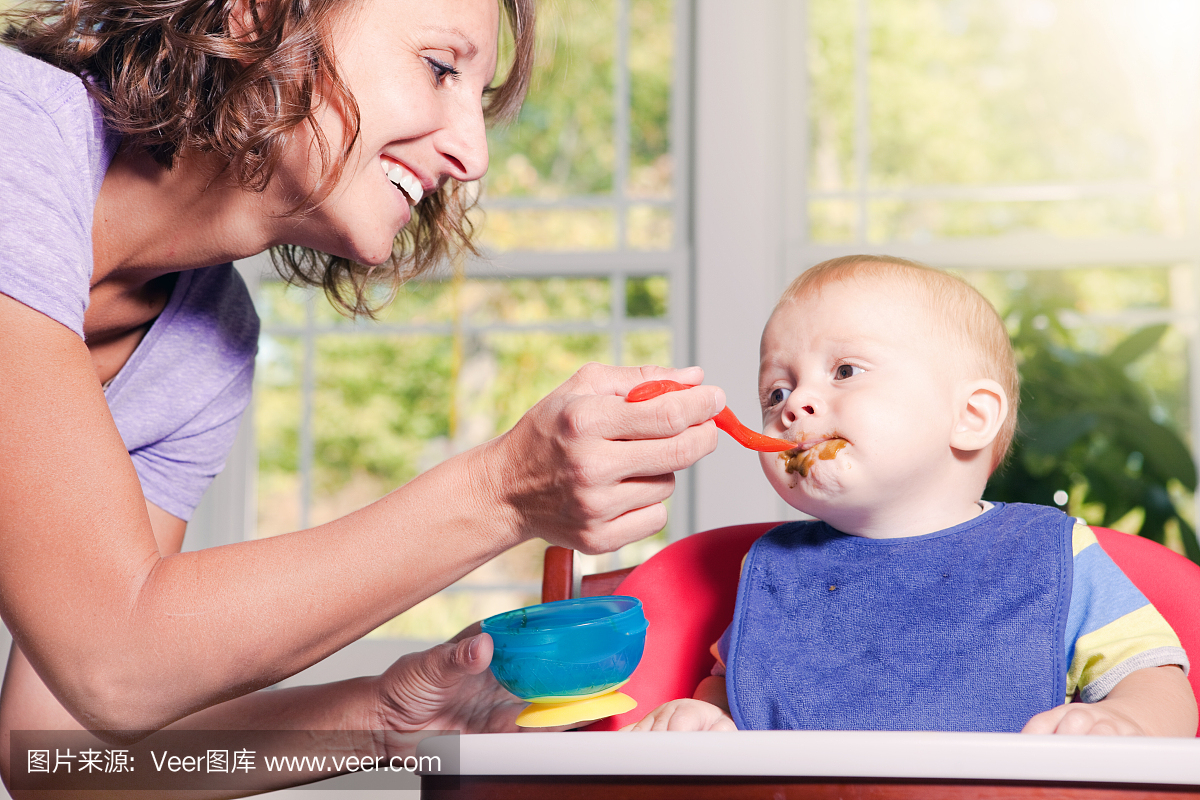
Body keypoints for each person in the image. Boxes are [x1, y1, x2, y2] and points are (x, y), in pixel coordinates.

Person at [0, 0, 726, 790]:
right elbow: (114, 662)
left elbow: (55, 759)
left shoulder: (205, 348)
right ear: (253, 16)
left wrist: (385, 716)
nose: (473, 154)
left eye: (477, 103)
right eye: (440, 67)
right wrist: (503, 490)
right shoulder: (16, 138)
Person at [626, 255, 1197, 736]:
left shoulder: (1052, 554)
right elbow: (741, 684)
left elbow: (1157, 681)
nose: (794, 405)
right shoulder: (774, 570)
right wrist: (705, 715)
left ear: (970, 417)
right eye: (777, 391)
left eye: (845, 371)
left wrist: (1124, 723)